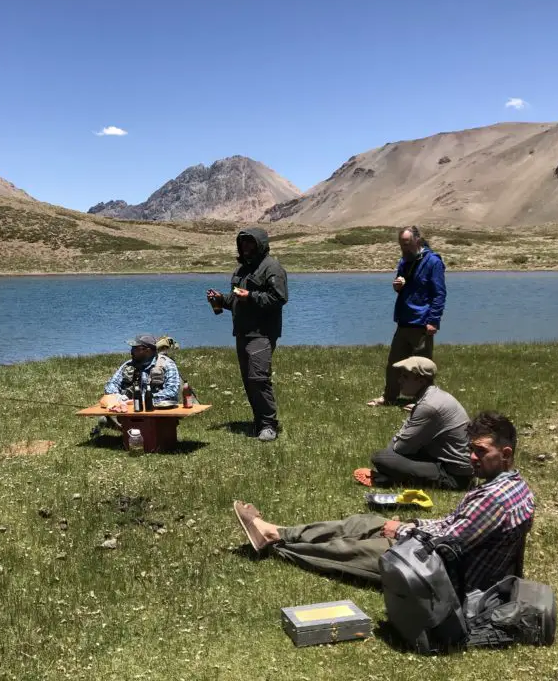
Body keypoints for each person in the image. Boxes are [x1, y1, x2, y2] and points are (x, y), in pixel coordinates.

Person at [232, 411, 534, 593]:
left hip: (443, 575)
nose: (472, 457)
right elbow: (455, 525)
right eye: (472, 449)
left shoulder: (493, 499)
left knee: (351, 550)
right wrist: (412, 523)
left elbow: (447, 545)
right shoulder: (516, 487)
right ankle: (278, 531)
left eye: (481, 451)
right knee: (363, 522)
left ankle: (277, 544)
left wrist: (402, 532)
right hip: (444, 557)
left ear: (505, 454)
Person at [206, 228, 288, 442]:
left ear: (260, 244)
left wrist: (250, 296)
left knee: (258, 378)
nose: (246, 246)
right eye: (242, 243)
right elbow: (236, 300)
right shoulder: (241, 270)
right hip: (242, 332)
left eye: (250, 243)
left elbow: (278, 299)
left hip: (262, 332)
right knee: (249, 380)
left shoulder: (272, 268)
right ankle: (259, 420)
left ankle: (269, 425)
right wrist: (220, 300)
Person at [353, 356, 473, 489]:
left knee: (381, 458)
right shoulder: (435, 396)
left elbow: (400, 448)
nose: (399, 380)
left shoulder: (428, 406)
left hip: (454, 476)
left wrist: (412, 415)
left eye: (405, 377)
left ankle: (389, 479)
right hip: (454, 465)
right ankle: (391, 477)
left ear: (420, 380)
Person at [368, 225, 446, 407]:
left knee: (421, 366)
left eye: (407, 244)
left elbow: (439, 294)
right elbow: (402, 286)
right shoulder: (404, 261)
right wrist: (397, 286)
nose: (404, 248)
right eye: (401, 244)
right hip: (404, 319)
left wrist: (433, 320)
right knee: (394, 362)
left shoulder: (433, 262)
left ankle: (422, 401)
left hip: (422, 322)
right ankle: (389, 397)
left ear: (417, 241)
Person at [95, 334, 182, 433]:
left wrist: (142, 400)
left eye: (135, 348)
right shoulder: (128, 365)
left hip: (156, 410)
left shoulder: (167, 364)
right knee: (103, 419)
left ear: (148, 350)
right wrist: (118, 398)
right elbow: (111, 385)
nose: (131, 351)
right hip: (130, 410)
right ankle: (131, 430)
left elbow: (172, 391)